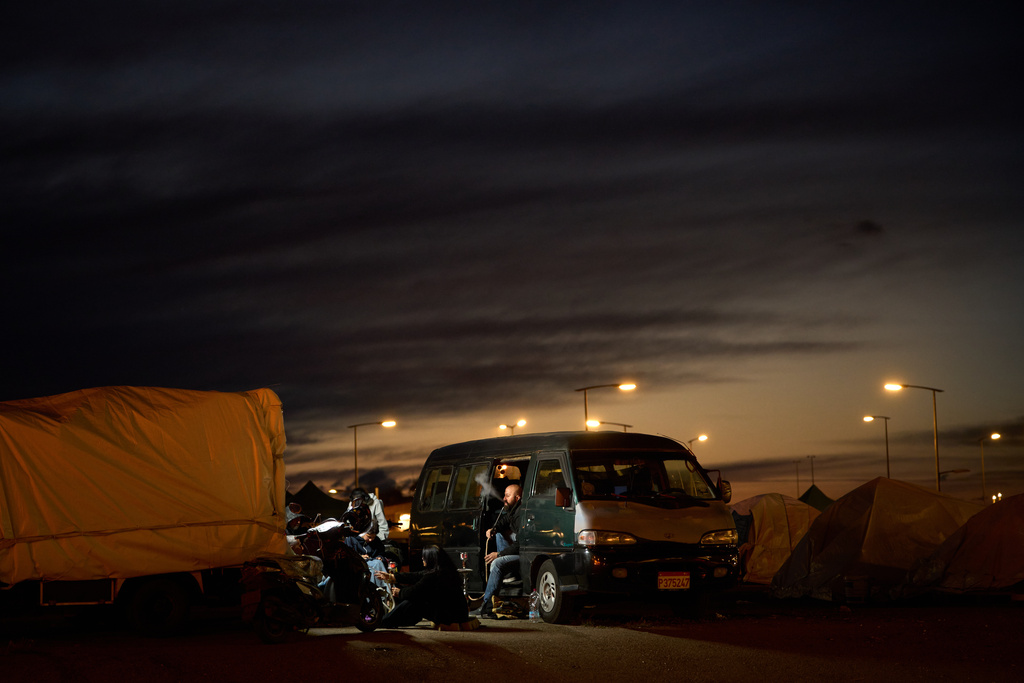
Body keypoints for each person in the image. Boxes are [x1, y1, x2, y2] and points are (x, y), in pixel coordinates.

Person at [375, 545, 471, 628]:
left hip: (449, 615)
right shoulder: (443, 570)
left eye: (424, 557)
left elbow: (415, 591)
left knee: (413, 602)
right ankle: (390, 621)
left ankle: (381, 621)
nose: (422, 559)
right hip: (458, 613)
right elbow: (416, 575)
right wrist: (392, 577)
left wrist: (399, 592)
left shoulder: (434, 576)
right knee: (414, 602)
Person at [472, 483, 522, 618]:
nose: (504, 498)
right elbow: (504, 521)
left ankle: (487, 605)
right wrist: (493, 529)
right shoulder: (513, 511)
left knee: (497, 563)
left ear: (517, 498)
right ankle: (508, 575)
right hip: (518, 551)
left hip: (524, 555)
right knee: (500, 533)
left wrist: (499, 554)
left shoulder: (521, 515)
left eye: (507, 496)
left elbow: (520, 545)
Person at [345, 520, 389, 589]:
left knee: (378, 563)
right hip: (360, 567)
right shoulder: (351, 540)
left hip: (373, 565)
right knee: (377, 564)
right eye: (369, 537)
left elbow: (381, 552)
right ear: (363, 533)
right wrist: (359, 557)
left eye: (373, 537)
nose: (371, 540)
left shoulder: (376, 541)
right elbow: (348, 556)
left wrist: (380, 556)